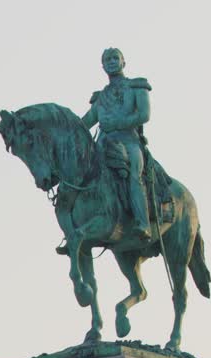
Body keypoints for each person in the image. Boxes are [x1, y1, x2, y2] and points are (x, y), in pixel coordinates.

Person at [79, 48, 153, 242]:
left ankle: (142, 222)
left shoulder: (136, 87)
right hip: (103, 144)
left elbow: (144, 115)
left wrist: (117, 124)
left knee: (134, 175)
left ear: (123, 62)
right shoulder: (100, 97)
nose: (111, 62)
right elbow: (86, 122)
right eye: (107, 59)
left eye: (115, 58)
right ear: (102, 66)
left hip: (129, 141)